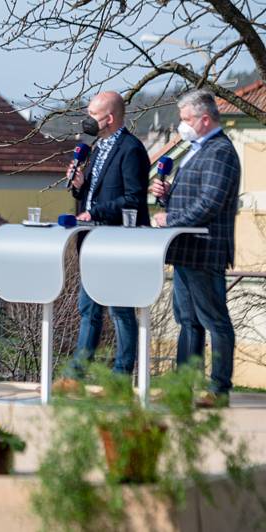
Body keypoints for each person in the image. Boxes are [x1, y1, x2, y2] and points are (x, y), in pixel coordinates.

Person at [150, 89, 240, 408]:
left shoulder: (220, 151)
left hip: (205, 248)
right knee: (188, 320)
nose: (181, 125)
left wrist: (170, 219)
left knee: (214, 319)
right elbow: (192, 198)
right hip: (186, 249)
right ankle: (183, 385)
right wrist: (166, 193)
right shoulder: (196, 149)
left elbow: (210, 202)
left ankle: (219, 388)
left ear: (204, 119)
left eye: (186, 119)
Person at [56, 91, 150, 387]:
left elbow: (134, 199)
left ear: (109, 118)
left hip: (117, 242)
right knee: (89, 309)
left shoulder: (131, 149)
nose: (88, 120)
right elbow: (94, 194)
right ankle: (76, 375)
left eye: (93, 115)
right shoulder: (95, 148)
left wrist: (94, 210)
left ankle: (122, 377)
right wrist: (79, 187)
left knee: (120, 310)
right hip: (92, 239)